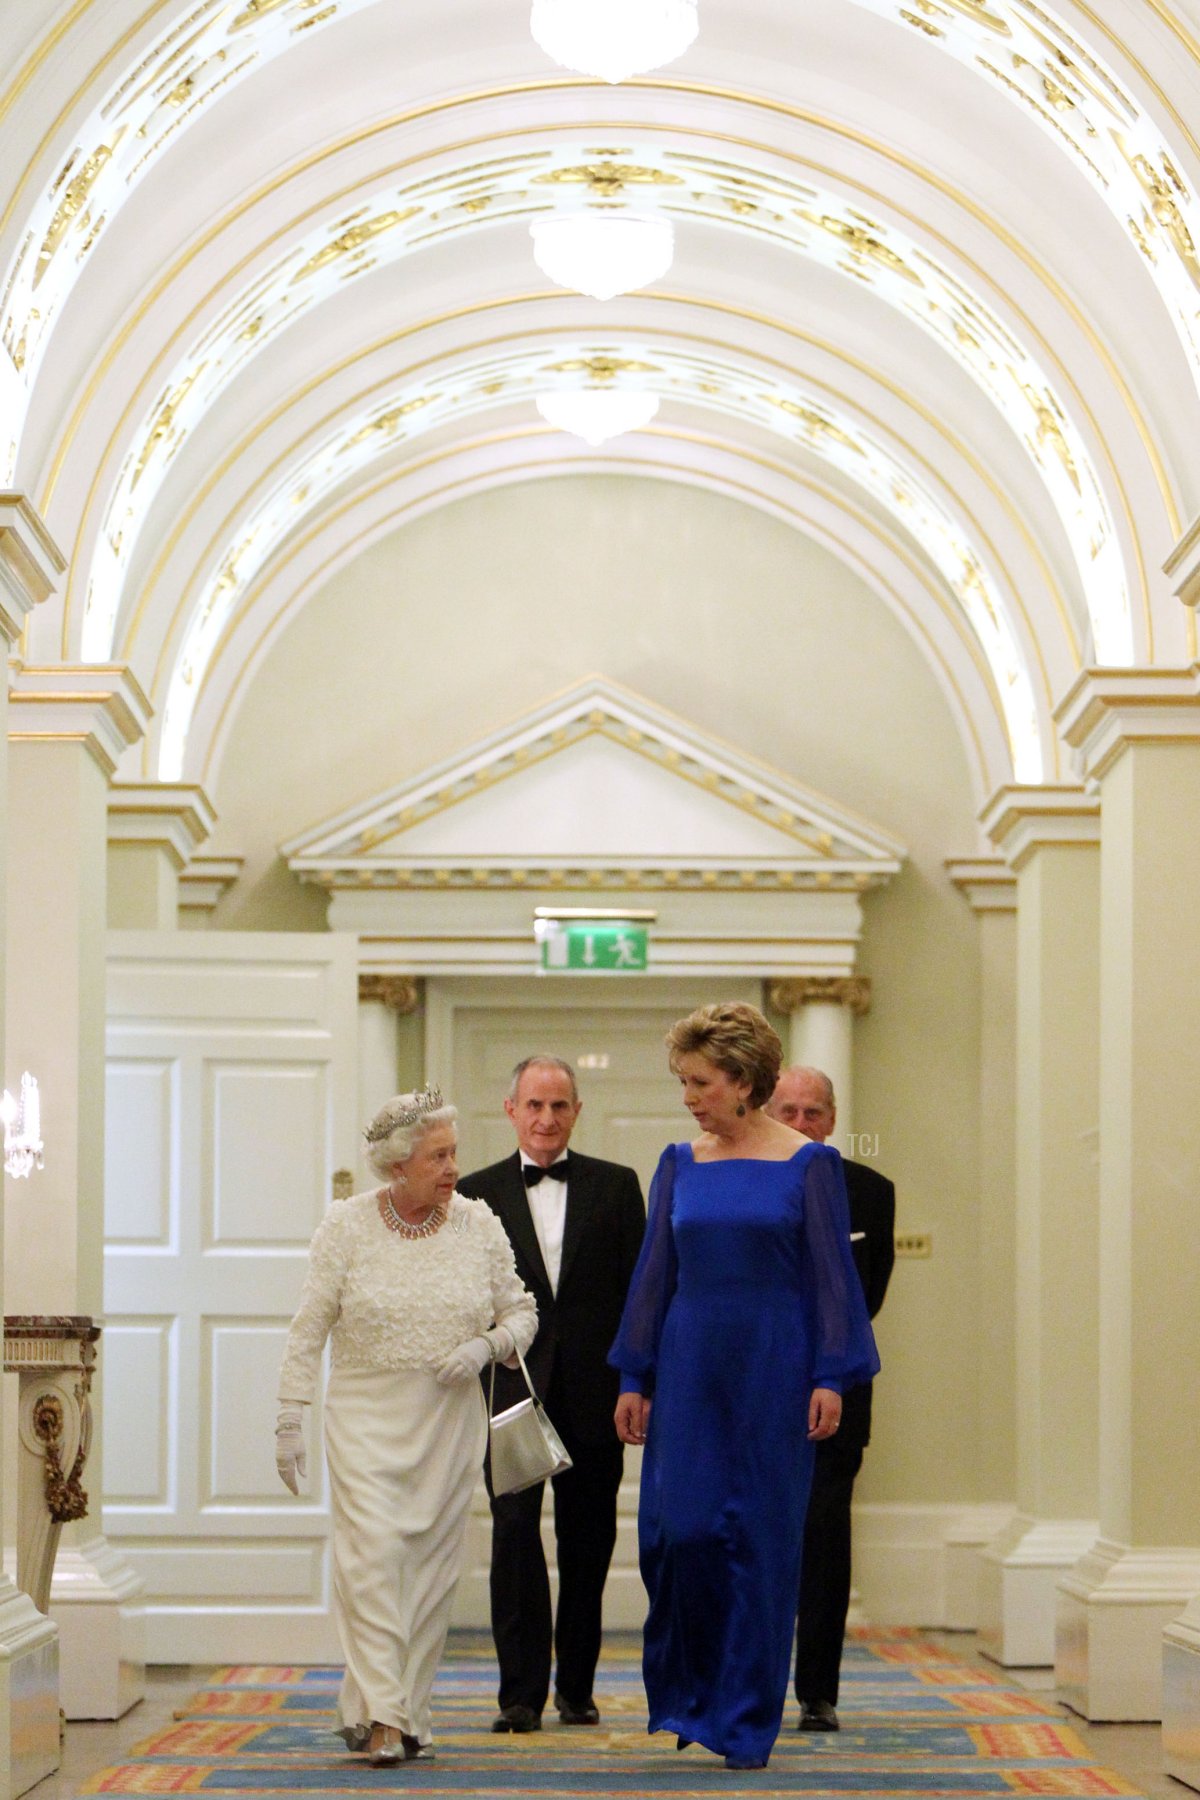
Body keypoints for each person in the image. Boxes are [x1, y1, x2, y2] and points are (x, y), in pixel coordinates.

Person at [611, 1003, 879, 1772]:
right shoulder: (679, 1162)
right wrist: (636, 1374)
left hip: (775, 1366)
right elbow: (654, 1276)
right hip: (690, 1365)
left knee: (761, 1544)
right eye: (685, 1082)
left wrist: (830, 1374)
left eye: (699, 1082)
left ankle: (747, 1719)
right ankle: (695, 1698)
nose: (688, 1096)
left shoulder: (809, 1164)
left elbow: (832, 1278)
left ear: (741, 1080)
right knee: (680, 1534)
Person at [274, 1086, 537, 1765]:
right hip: (364, 1412)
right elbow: (310, 1325)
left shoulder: (478, 1223)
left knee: (426, 1572)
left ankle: (401, 1712)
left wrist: (486, 1348)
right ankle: (387, 1718)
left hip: (448, 1418)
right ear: (398, 1164)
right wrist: (289, 1414)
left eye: (454, 1154)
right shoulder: (346, 1226)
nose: (453, 1168)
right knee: (372, 1560)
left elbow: (522, 1313)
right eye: (439, 1156)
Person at [458, 1056, 645, 1733]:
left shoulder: (619, 1187)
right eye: (534, 1105)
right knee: (513, 1539)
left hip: (598, 1392)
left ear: (577, 1111)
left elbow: (640, 1297)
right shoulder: (473, 1196)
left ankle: (577, 1689)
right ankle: (518, 1695)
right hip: (511, 1388)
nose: (546, 1119)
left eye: (559, 1106)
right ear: (511, 1110)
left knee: (587, 1541)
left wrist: (638, 1382)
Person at [766, 1065, 895, 1732]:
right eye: (786, 1109)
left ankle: (818, 1692)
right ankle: (749, 1683)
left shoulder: (872, 1193)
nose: (800, 1123)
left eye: (813, 1111)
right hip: (757, 1389)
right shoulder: (742, 1185)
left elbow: (865, 1298)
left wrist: (822, 1371)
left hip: (838, 1392)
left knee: (823, 1541)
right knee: (753, 1540)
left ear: (833, 1119)